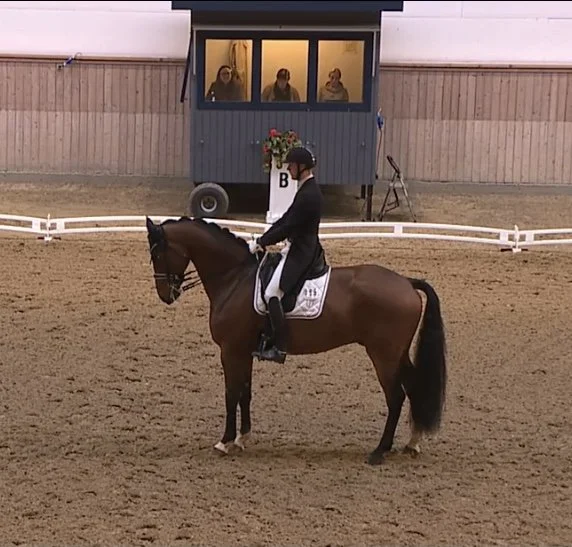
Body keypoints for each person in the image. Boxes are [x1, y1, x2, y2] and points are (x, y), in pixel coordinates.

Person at [248, 146, 324, 364]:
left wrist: (262, 242)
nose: (288, 168)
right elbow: (285, 220)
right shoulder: (306, 189)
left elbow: (288, 226)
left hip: (302, 250)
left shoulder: (309, 195)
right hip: (299, 246)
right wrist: (263, 238)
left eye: (291, 165)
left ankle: (279, 347)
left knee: (272, 293)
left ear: (301, 167)